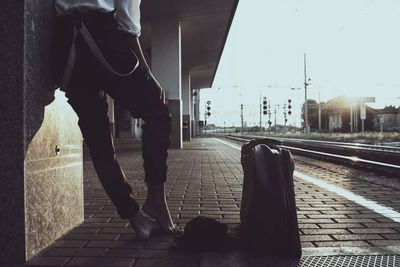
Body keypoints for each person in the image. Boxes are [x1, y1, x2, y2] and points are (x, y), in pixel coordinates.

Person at [53, 0, 180, 240]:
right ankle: (156, 202)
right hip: (101, 37)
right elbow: (127, 21)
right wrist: (146, 70)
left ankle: (136, 219)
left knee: (98, 141)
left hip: (64, 48)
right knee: (158, 114)